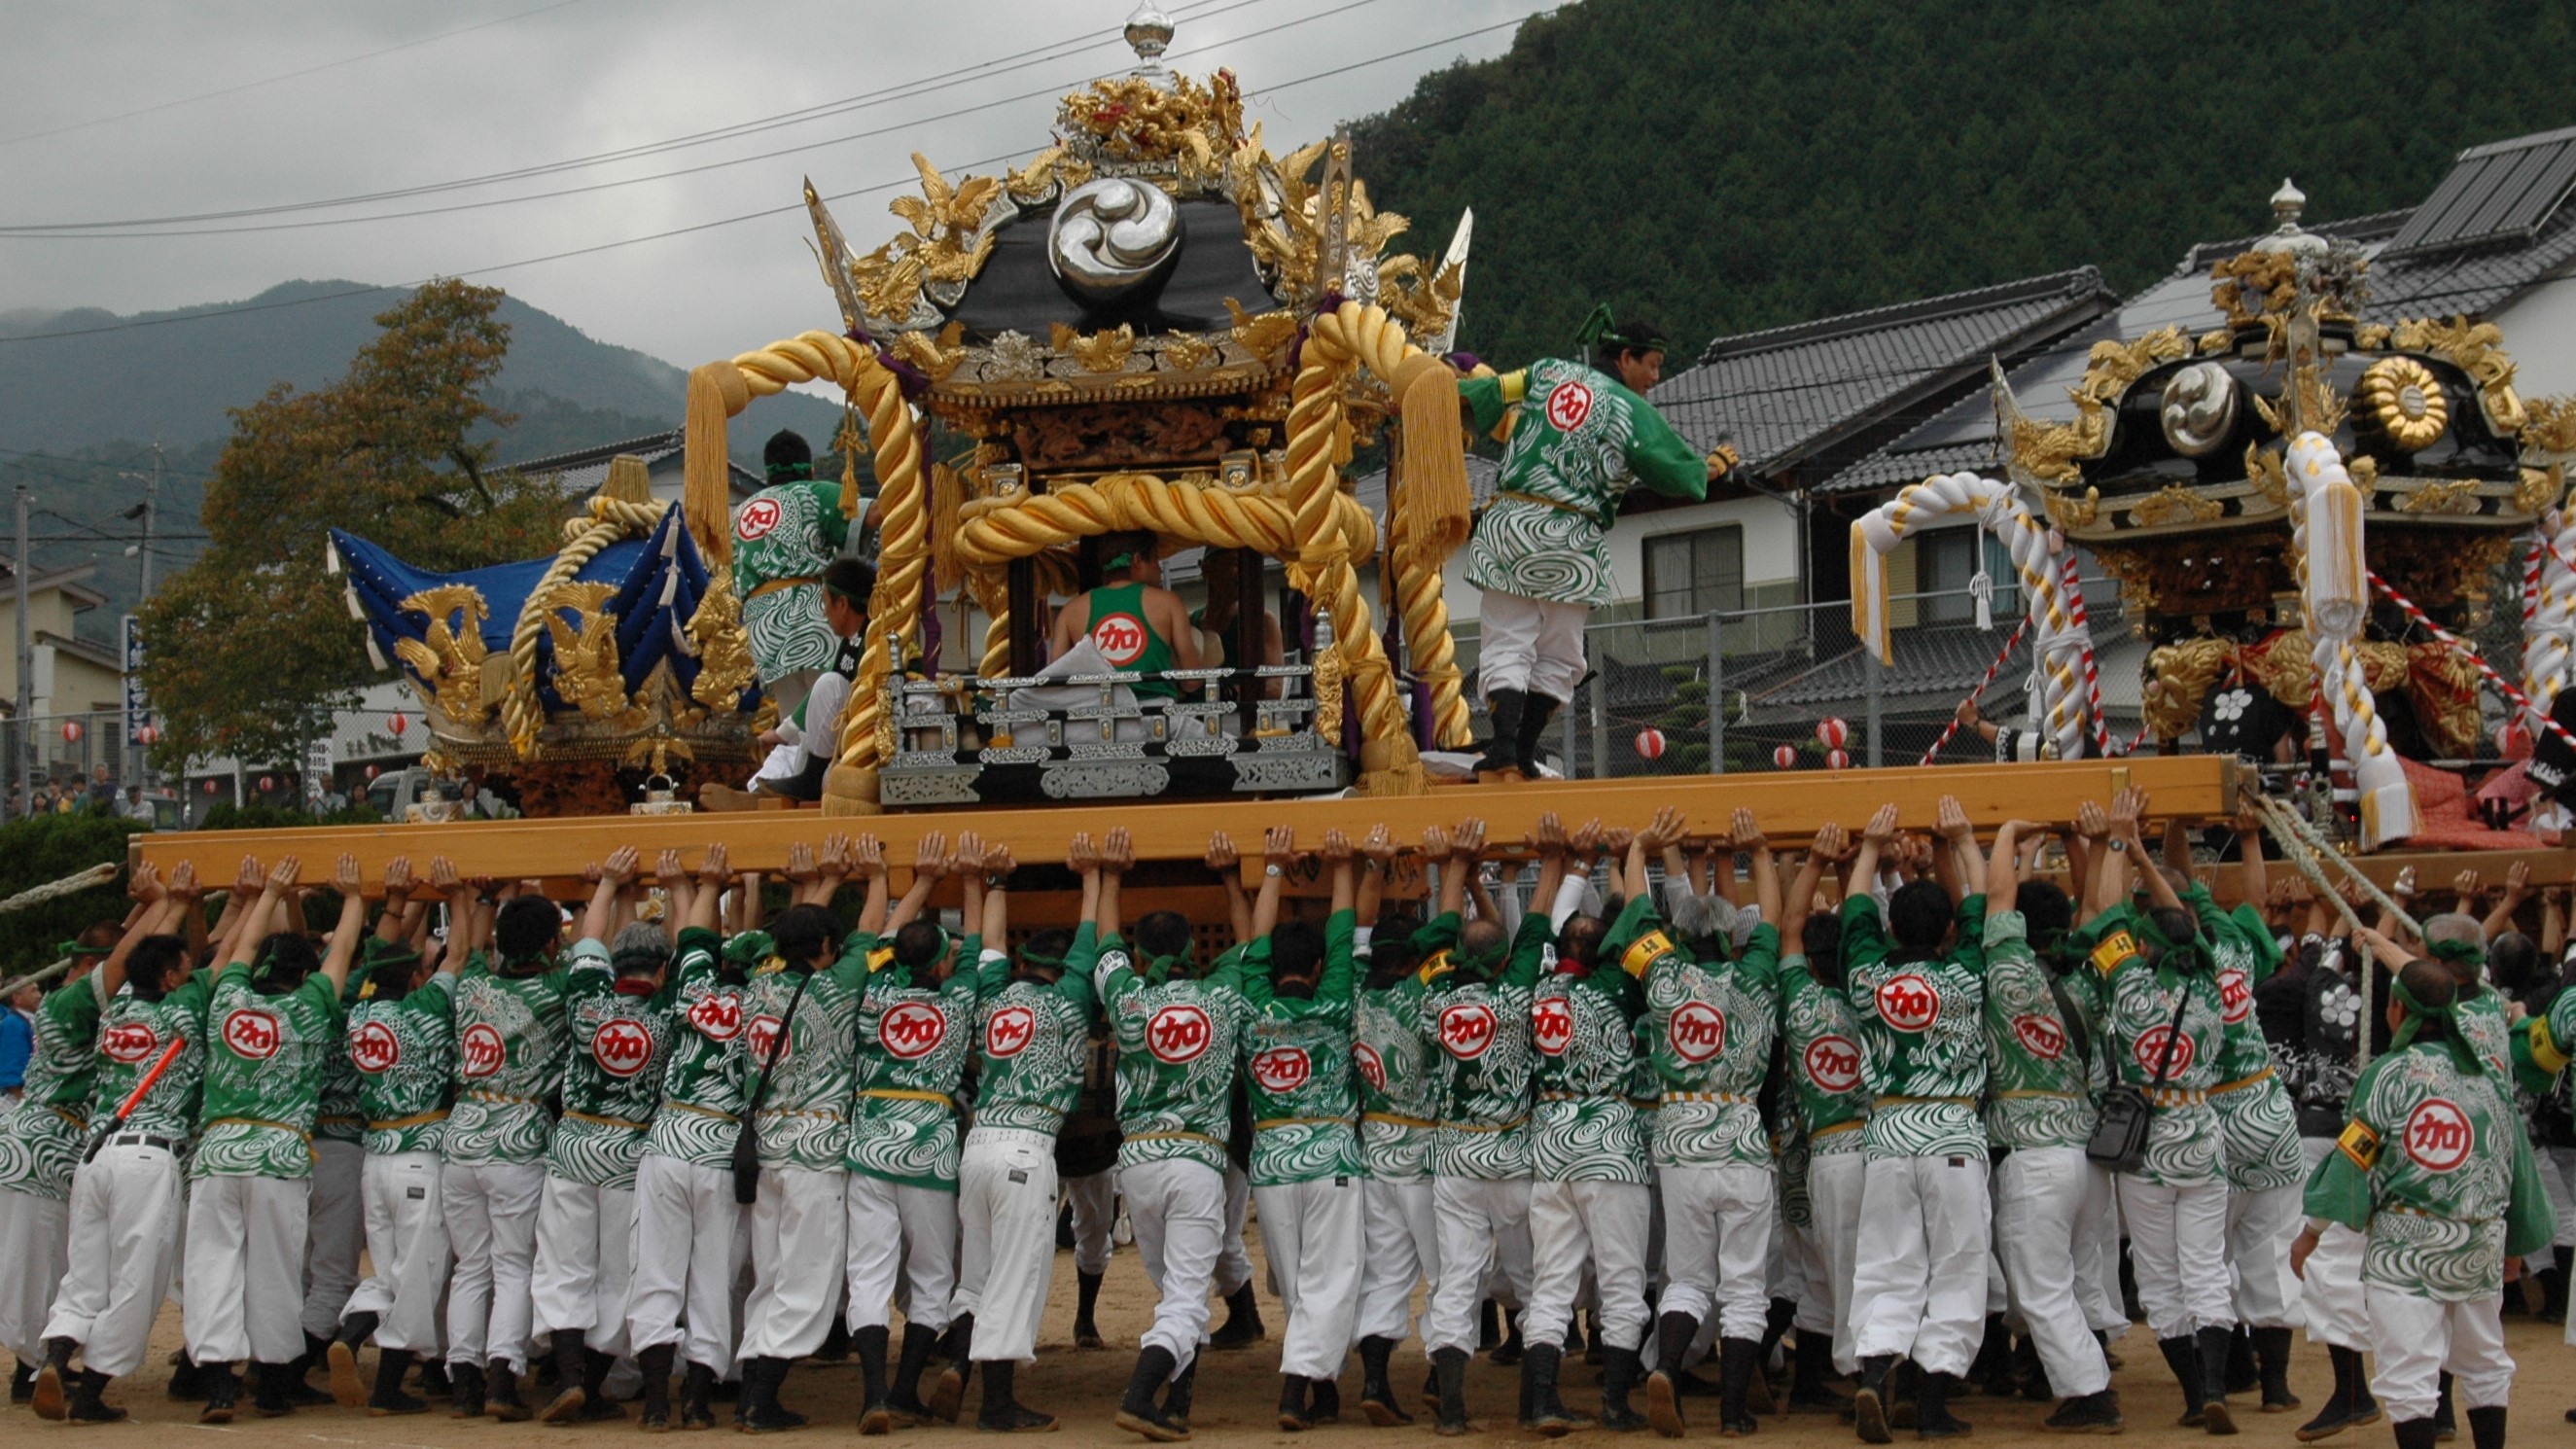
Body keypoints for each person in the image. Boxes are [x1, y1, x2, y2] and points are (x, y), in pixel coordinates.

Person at [1456, 311, 1729, 778]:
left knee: (1506, 640)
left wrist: (1436, 393)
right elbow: (1676, 469)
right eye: (1653, 364)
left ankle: (1502, 749)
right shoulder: (1630, 409)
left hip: (1511, 526)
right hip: (1571, 539)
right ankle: (1522, 753)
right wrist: (1713, 466)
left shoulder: (1545, 371)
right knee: (1561, 654)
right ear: (1626, 358)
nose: (1656, 377)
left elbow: (1490, 393)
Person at [2296, 956, 2554, 1449]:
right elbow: (2514, 1163)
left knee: (2410, 1375)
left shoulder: (2388, 1076)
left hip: (2405, 1249)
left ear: (2397, 1009)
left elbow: (2353, 1159)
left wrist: (2313, 1231)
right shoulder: (2488, 1080)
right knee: (2484, 1361)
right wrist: (2515, 1243)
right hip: (2478, 1243)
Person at [1615, 808, 1782, 1439]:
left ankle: (1670, 1376)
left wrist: (1640, 849)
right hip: (1741, 1139)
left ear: (1681, 937)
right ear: (1728, 936)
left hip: (1679, 1142)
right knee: (1742, 1286)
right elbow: (1765, 923)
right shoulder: (1754, 975)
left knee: (1685, 1278)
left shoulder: (1663, 976)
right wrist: (1759, 853)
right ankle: (1734, 1414)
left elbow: (1635, 915)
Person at [180, 854, 367, 1421]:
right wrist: (355, 898)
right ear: (306, 977)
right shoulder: (311, 1009)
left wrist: (269, 895)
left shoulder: (229, 999)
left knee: (213, 1267)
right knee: (275, 1271)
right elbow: (337, 958)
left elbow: (238, 951)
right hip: (278, 1156)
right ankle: (275, 1385)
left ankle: (217, 1385)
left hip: (216, 1154)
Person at [2078, 789, 2240, 1433]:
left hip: (2143, 1146)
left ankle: (2195, 1397)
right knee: (2205, 1271)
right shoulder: (2207, 988)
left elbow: (2103, 919)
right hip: (2201, 1136)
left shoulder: (2130, 983)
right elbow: (2188, 929)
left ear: (2145, 946)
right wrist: (2144, 858)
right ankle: (2217, 1385)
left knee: (2158, 1277)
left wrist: (2120, 843)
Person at [32, 865, 217, 1423]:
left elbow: (145, 960)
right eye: (183, 969)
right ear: (167, 978)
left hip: (97, 1154)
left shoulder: (114, 1011)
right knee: (137, 1279)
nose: (191, 973)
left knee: (85, 1271)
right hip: (146, 1156)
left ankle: (59, 1352)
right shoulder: (184, 1010)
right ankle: (90, 1394)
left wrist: (171, 903)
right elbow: (223, 960)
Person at [1840, 798, 1994, 1443]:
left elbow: (1852, 913)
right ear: (1946, 933)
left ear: (1890, 928)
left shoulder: (1865, 978)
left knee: (1885, 1262)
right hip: (1953, 1133)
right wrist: (1961, 841)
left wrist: (1871, 848)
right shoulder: (1965, 973)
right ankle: (1930, 1402)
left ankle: (1874, 1378)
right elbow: (1982, 910)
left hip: (1886, 1137)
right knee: (1957, 1266)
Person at [939, 836, 1101, 1434]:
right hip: (1025, 1151)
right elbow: (1089, 945)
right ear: (1058, 973)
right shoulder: (1068, 1003)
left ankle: (958, 1362)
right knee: (1014, 1276)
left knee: (977, 1273)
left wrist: (993, 882)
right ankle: (998, 1403)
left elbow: (987, 947)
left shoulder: (992, 1000)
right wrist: (1092, 877)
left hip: (978, 1145)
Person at [1099, 827, 1249, 1441]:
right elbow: (1249, 941)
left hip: (1135, 1161)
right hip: (1196, 1161)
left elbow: (1105, 942)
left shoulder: (1128, 998)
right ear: (1194, 947)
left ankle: (1176, 1401)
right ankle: (1140, 1395)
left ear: (1141, 955)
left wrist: (1109, 872)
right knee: (1187, 1296)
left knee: (1174, 1292)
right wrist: (1230, 875)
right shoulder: (1221, 995)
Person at [846, 832, 995, 1433]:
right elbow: (979, 948)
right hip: (929, 1148)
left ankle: (873, 1395)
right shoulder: (958, 999)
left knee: (870, 1273)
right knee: (934, 1276)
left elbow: (882, 937)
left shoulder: (873, 991)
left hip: (868, 1140)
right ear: (941, 964)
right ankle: (905, 1390)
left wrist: (924, 881)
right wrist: (973, 880)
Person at [1976, 830, 2122, 1432]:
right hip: (2087, 1154)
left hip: (2032, 1156)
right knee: (2081, 1275)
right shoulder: (2090, 976)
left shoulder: (2007, 972)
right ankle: (2086, 1375)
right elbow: (2101, 912)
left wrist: (2009, 833)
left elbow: (1997, 901)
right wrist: (2091, 843)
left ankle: (2091, 1391)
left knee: (2038, 1287)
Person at [732, 837, 879, 1433]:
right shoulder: (835, 987)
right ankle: (762, 1398)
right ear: (825, 947)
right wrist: (874, 878)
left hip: (763, 1149)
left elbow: (793, 938)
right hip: (815, 1153)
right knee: (808, 1277)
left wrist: (827, 876)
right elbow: (869, 935)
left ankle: (751, 1396)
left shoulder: (757, 986)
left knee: (770, 1274)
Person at [533, 849, 678, 1425]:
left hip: (572, 1145)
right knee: (618, 1276)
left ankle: (568, 1380)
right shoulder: (668, 1013)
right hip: (626, 1153)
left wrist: (611, 884)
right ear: (662, 971)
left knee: (564, 1267)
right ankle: (589, 1388)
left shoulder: (589, 1000)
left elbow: (587, 940)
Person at [1232, 827, 1363, 1431]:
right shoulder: (1335, 1002)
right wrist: (1341, 865)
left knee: (1296, 1281)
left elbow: (1254, 943)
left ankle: (1323, 1387)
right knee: (1331, 1278)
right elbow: (1342, 939)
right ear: (1315, 967)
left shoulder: (1254, 1006)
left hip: (1273, 1163)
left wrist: (1275, 869)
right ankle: (1292, 1392)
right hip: (1331, 1156)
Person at [330, 858, 472, 1417]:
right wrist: (460, 896)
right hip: (420, 1158)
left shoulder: (360, 1015)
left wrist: (394, 905)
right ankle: (388, 1386)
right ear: (414, 976)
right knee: (418, 1275)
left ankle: (351, 1331)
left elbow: (381, 961)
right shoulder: (429, 1009)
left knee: (388, 1269)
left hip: (375, 1159)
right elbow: (458, 955)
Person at [1415, 817, 1542, 1436]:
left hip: (1454, 1161)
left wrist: (1454, 869)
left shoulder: (1435, 996)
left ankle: (1455, 1407)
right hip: (1513, 1158)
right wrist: (1559, 863)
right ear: (1502, 962)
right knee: (1531, 1278)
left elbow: (1440, 937)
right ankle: (1537, 1399)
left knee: (1458, 1279)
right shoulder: (1517, 996)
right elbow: (1536, 931)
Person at [623, 845, 749, 1431]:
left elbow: (695, 936)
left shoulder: (696, 990)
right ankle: (698, 1401)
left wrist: (701, 880)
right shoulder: (770, 1001)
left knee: (656, 1272)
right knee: (711, 1281)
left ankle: (653, 1403)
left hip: (670, 1140)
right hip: (722, 1151)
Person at [440, 880, 577, 1420]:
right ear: (550, 946)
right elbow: (594, 953)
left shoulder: (473, 985)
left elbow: (462, 950)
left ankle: (463, 1383)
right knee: (514, 1266)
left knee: (471, 1267)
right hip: (517, 1138)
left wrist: (473, 899)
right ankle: (502, 1378)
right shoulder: (558, 987)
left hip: (463, 1133)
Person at [0, 916, 150, 1406]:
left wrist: (150, 911)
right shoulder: (72, 1002)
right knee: (35, 1266)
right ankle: (33, 1367)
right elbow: (124, 962)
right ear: (90, 965)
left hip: (46, 1147)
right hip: (42, 1149)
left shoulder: (64, 1004)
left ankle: (36, 1365)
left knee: (44, 1263)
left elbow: (132, 954)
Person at [1349, 829, 1447, 1426]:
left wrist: (1374, 868)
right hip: (1422, 1149)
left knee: (1386, 1272)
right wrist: (1445, 867)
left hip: (1373, 1149)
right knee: (1446, 1270)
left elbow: (1361, 933)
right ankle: (1442, 1377)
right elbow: (1450, 933)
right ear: (1413, 958)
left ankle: (1377, 1383)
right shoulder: (1420, 992)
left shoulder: (1359, 990)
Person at [734, 429, 856, 719]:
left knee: (791, 718)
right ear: (811, 470)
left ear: (766, 473)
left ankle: (797, 763)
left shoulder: (740, 511)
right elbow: (869, 520)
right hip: (813, 617)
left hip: (763, 626)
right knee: (830, 715)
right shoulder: (816, 492)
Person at [1049, 532, 1203, 699]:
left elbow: (1055, 683)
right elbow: (1192, 680)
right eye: (1155, 559)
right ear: (1137, 561)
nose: (1159, 568)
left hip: (1097, 720)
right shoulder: (1169, 602)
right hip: (1157, 719)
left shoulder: (1071, 611)